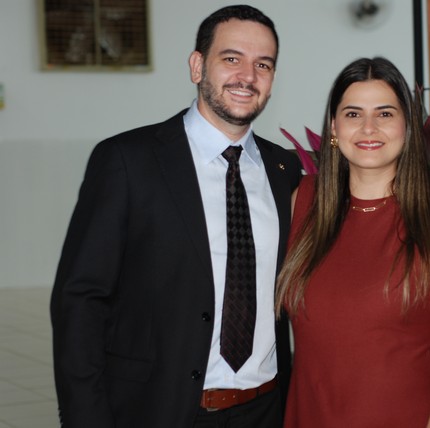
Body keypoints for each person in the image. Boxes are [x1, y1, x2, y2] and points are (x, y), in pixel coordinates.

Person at [50, 5, 301, 428]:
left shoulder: (284, 169)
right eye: (232, 58)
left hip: (265, 409)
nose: (247, 76)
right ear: (197, 66)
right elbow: (80, 300)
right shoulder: (128, 161)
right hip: (158, 409)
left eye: (263, 64)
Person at [276, 57, 430, 427]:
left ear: (407, 126)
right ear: (334, 127)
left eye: (385, 114)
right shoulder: (302, 202)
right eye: (353, 114)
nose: (368, 128)